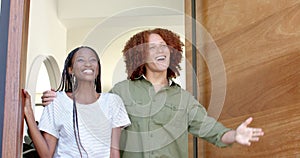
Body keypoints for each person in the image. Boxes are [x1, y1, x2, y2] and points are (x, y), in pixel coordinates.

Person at [41, 28, 264, 158]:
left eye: (164, 46)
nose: (160, 50)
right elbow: (87, 113)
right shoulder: (121, 92)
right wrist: (58, 99)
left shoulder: (184, 100)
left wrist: (234, 135)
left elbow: (212, 130)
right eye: (152, 47)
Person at [23, 46, 131, 158]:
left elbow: (114, 153)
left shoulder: (113, 102)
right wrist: (28, 113)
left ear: (97, 69)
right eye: (81, 60)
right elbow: (46, 154)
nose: (88, 64)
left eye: (93, 60)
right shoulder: (56, 102)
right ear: (71, 70)